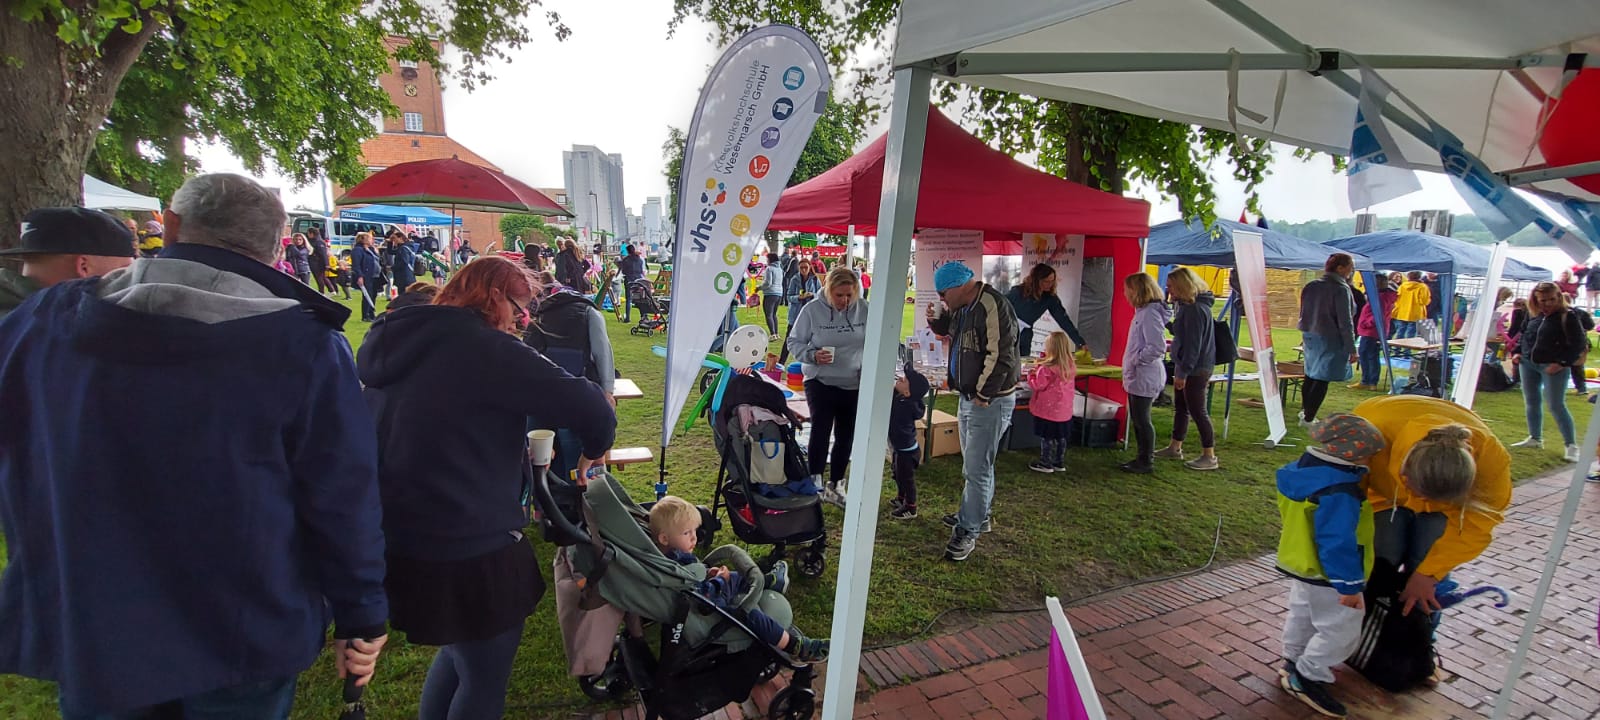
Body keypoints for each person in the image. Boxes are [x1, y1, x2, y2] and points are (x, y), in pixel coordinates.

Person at [0, 174, 389, 719]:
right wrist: (362, 613)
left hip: (96, 606)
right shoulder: (302, 345)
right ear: (276, 245)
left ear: (173, 224)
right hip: (237, 617)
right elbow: (341, 498)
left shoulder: (44, 319)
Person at [359, 255, 615, 720]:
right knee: (483, 677)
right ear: (493, 295)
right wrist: (593, 449)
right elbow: (591, 405)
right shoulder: (484, 348)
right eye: (519, 308)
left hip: (400, 535)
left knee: (462, 653)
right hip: (470, 541)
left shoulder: (395, 337)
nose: (523, 320)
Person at [1350, 394, 1510, 620]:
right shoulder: (1369, 433)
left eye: (1434, 499)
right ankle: (1363, 630)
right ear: (1403, 475)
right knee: (1381, 556)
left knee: (1426, 569)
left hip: (1439, 498)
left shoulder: (1492, 462)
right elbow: (1349, 496)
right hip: (1383, 486)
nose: (1422, 505)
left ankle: (1419, 634)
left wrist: (1428, 576)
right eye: (1418, 493)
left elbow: (1477, 525)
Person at [1275, 414, 1388, 719]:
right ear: (1350, 454)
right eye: (1369, 454)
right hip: (1330, 575)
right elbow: (1336, 541)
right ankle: (1309, 676)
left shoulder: (1300, 473)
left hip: (1301, 564)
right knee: (1341, 628)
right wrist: (1349, 586)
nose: (1372, 461)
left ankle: (1293, 659)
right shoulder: (1341, 491)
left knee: (1303, 614)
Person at [648, 497, 829, 661]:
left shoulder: (669, 558)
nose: (694, 538)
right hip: (710, 608)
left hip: (700, 595)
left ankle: (767, 581)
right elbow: (704, 599)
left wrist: (708, 572)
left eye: (694, 531)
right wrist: (719, 580)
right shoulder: (678, 563)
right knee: (752, 615)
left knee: (735, 577)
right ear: (664, 538)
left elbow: (691, 581)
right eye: (687, 533)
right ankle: (797, 646)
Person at [925, 261, 1020, 561]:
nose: (942, 299)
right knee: (976, 464)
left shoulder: (992, 305)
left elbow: (1001, 353)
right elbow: (952, 333)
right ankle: (978, 515)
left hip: (987, 401)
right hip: (970, 397)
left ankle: (969, 529)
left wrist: (983, 393)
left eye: (943, 293)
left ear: (958, 286)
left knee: (976, 468)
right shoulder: (963, 307)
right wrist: (935, 322)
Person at [786, 266, 869, 506]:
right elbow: (794, 341)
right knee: (821, 429)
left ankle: (837, 484)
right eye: (839, 295)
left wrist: (868, 366)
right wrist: (812, 355)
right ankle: (815, 482)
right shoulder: (812, 310)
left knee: (846, 433)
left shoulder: (865, 310)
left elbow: (877, 340)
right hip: (820, 380)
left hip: (853, 381)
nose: (844, 301)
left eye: (849, 295)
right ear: (828, 290)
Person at [0, 208, 136, 320]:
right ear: (84, 266)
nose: (131, 278)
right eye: (124, 269)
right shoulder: (55, 331)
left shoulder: (18, 318)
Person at [1510, 281, 1585, 461]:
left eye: (1552, 300)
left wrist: (1562, 362)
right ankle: (1535, 438)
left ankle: (1571, 445)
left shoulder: (1568, 316)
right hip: (1528, 363)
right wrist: (1518, 352)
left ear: (1559, 297)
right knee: (1531, 401)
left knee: (1556, 405)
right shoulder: (1532, 314)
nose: (1548, 304)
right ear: (1535, 300)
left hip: (1553, 366)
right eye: (1543, 300)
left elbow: (1578, 344)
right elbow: (1524, 334)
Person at [1153, 268, 1219, 470]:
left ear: (1182, 286)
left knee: (1198, 410)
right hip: (1189, 365)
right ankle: (1175, 447)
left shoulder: (1195, 310)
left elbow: (1193, 345)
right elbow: (1182, 333)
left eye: (1171, 286)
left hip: (1196, 368)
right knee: (1181, 407)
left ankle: (1209, 455)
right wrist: (1166, 321)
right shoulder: (1187, 307)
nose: (1168, 290)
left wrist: (1183, 372)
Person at [524, 284, 617, 405]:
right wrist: (607, 391)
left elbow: (527, 351)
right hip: (582, 387)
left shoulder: (541, 313)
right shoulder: (591, 312)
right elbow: (602, 352)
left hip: (543, 389)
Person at [1297, 254, 1358, 426]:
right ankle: (1309, 417)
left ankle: (1305, 412)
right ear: (1340, 268)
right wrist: (1351, 348)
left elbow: (1303, 313)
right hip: (1330, 337)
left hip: (1310, 335)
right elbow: (1345, 322)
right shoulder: (1340, 289)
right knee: (1322, 378)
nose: (1352, 271)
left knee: (1310, 375)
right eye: (1350, 267)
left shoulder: (1312, 285)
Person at [1120, 272, 1170, 475]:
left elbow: (1157, 346)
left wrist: (1136, 360)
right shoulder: (1143, 312)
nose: (1125, 294)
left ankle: (1146, 459)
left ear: (1136, 290)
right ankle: (1142, 457)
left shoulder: (1149, 313)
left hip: (1145, 373)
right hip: (1139, 373)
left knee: (1142, 419)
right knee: (1139, 419)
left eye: (1127, 289)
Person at [1005, 262, 1087, 357]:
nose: (1050, 284)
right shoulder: (1018, 291)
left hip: (1025, 335)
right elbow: (1000, 307)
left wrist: (1080, 342)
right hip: (1008, 331)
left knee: (1023, 362)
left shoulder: (1050, 298)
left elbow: (1063, 320)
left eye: (1052, 281)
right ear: (1036, 280)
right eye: (1046, 281)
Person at [1026, 330, 1077, 474]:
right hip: (1064, 411)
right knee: (1061, 437)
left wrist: (1030, 376)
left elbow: (1038, 385)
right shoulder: (1070, 365)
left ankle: (1045, 462)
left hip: (1047, 410)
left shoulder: (1047, 368)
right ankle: (1059, 462)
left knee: (1047, 437)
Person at [887, 353, 930, 520]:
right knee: (897, 473)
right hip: (902, 448)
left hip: (906, 451)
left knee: (906, 479)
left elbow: (889, 406)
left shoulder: (903, 406)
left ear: (907, 393)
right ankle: (901, 498)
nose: (900, 379)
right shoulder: (906, 400)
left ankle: (911, 507)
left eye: (904, 380)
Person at [1351, 273, 1398, 392]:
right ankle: (1367, 380)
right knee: (1367, 354)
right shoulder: (1380, 296)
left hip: (1372, 331)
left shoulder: (1381, 297)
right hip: (1370, 330)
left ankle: (1370, 381)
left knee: (1369, 355)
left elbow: (1379, 315)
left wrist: (1367, 323)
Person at [778, 257, 821, 364]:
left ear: (810, 267)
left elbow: (821, 296)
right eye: (801, 268)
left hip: (810, 314)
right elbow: (788, 296)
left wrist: (812, 295)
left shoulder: (815, 279)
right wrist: (799, 297)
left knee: (811, 340)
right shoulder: (794, 279)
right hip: (795, 314)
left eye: (805, 267)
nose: (803, 270)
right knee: (789, 338)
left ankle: (807, 363)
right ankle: (781, 362)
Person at [352, 231, 384, 321]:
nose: (372, 240)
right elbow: (356, 265)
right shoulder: (357, 250)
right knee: (367, 295)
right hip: (366, 275)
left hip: (375, 275)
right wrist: (359, 276)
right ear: (363, 239)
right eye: (369, 238)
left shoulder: (371, 249)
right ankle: (365, 315)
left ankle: (371, 312)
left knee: (373, 294)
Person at [1391, 271, 1430, 340]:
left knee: (1400, 331)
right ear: (1419, 276)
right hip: (1416, 313)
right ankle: (1407, 350)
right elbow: (1424, 301)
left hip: (1402, 312)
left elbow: (1397, 298)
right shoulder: (1423, 287)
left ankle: (1397, 348)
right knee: (1411, 333)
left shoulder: (1402, 286)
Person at [618, 243, 646, 322]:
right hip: (638, 281)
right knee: (641, 299)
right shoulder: (640, 260)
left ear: (628, 251)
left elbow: (624, 271)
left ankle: (627, 318)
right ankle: (643, 316)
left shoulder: (626, 260)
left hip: (629, 280)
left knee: (628, 299)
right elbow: (641, 270)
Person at [760, 251, 784, 336]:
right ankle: (776, 333)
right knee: (774, 314)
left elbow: (768, 283)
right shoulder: (780, 269)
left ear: (770, 260)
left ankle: (772, 333)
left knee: (768, 315)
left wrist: (759, 287)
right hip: (779, 293)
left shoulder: (769, 269)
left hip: (770, 293)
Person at [305, 226, 335, 295]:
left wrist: (326, 264)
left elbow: (323, 254)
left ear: (312, 233)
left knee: (319, 277)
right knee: (322, 277)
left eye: (308, 233)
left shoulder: (318, 242)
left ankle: (322, 292)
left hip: (318, 263)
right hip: (317, 262)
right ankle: (331, 290)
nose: (308, 235)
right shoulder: (316, 241)